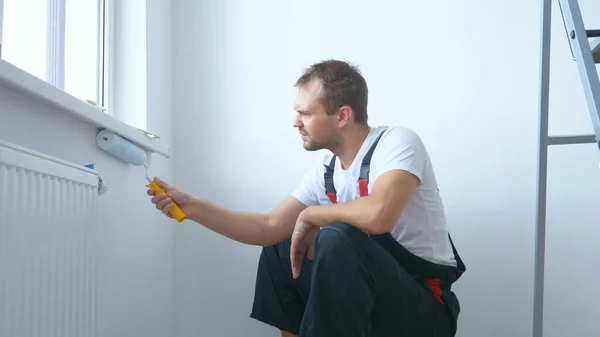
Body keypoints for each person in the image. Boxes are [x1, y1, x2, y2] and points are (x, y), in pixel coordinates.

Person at [147, 59, 466, 337]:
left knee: (339, 235)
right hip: (369, 301)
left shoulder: (396, 142)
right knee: (280, 246)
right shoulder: (326, 168)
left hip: (425, 309)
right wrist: (193, 207)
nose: (295, 122)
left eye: (305, 113)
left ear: (342, 115)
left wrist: (314, 215)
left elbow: (379, 214)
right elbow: (269, 225)